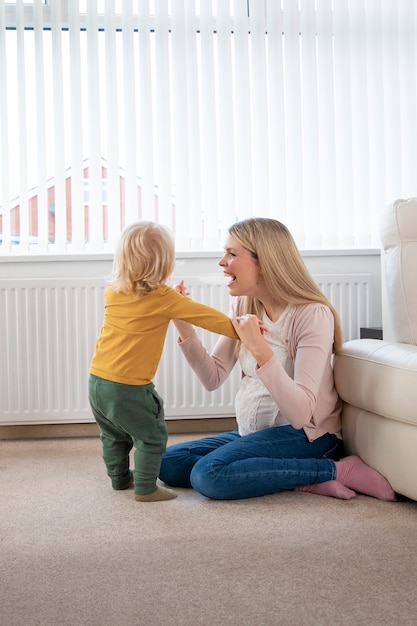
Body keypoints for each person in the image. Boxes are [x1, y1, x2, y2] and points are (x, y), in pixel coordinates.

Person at [159, 217, 396, 502]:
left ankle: (334, 470)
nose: (222, 262)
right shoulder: (244, 304)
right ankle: (297, 478)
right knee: (167, 463)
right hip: (251, 434)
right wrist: (184, 323)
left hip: (307, 437)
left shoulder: (311, 314)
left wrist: (260, 348)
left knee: (208, 475)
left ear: (265, 262)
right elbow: (214, 377)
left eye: (232, 254)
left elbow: (300, 414)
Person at [88, 221, 239, 502]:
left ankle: (120, 478)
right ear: (165, 264)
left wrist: (174, 300)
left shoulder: (113, 291)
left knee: (113, 435)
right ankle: (145, 488)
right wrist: (241, 329)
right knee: (152, 434)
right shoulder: (164, 297)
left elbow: (146, 306)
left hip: (97, 382)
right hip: (129, 388)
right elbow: (207, 317)